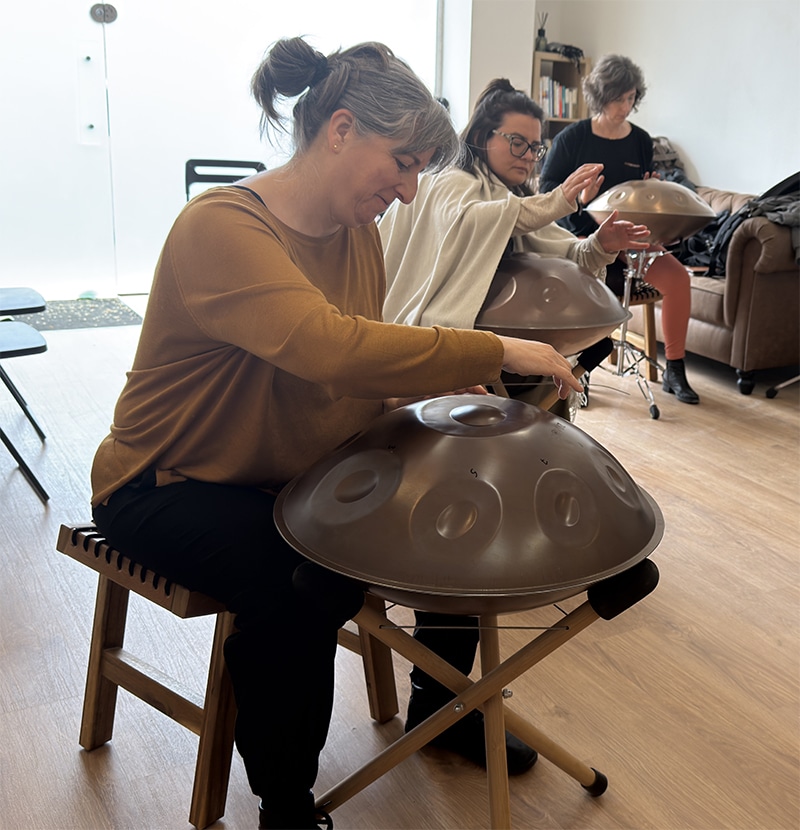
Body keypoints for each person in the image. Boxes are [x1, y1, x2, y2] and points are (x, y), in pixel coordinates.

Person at [89, 39, 585, 830]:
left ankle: (442, 707)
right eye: (404, 162)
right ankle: (287, 804)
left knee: (451, 473)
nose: (411, 187)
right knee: (301, 575)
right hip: (167, 483)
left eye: (422, 168)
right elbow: (327, 347)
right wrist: (493, 347)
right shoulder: (221, 226)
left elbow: (338, 372)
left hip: (283, 465)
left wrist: (429, 392)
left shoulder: (358, 233)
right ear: (342, 128)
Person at [378, 78, 651, 776]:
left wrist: (601, 242)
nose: (529, 154)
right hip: (430, 373)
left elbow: (564, 253)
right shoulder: (447, 186)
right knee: (458, 534)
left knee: (478, 529)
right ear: (482, 138)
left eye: (535, 145)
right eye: (517, 142)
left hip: (497, 380)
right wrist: (556, 201)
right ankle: (441, 707)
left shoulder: (513, 204)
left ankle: (442, 704)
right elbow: (475, 228)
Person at [539, 54, 700, 404]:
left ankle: (675, 369)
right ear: (601, 96)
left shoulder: (641, 140)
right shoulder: (572, 139)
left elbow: (641, 193)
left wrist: (651, 191)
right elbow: (547, 194)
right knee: (583, 283)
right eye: (618, 99)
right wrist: (581, 201)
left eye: (631, 98)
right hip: (584, 237)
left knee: (678, 278)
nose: (626, 106)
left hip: (634, 240)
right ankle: (579, 372)